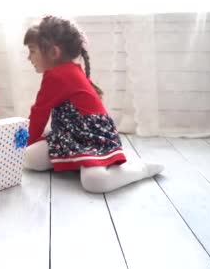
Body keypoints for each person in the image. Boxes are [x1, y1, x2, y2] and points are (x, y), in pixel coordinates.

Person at [23, 15, 164, 193]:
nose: (29, 57)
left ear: (53, 52)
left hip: (92, 137)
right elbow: (39, 116)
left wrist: (22, 146)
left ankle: (141, 169)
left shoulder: (57, 76)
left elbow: (38, 115)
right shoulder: (65, 71)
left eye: (32, 50)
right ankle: (78, 161)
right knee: (29, 158)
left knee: (94, 182)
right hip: (69, 136)